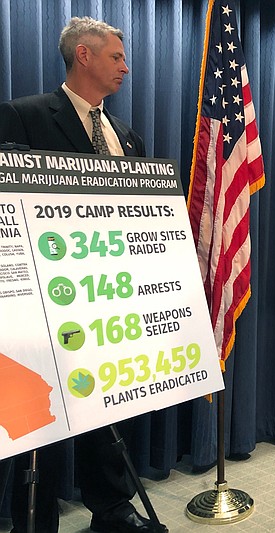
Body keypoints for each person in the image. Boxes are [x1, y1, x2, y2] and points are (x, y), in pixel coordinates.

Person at [0, 17, 158, 533]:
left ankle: (110, 507)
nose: (125, 68)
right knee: (40, 419)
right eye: (116, 57)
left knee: (108, 403)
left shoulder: (127, 138)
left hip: (109, 299)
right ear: (84, 56)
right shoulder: (23, 117)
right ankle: (34, 520)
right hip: (43, 301)